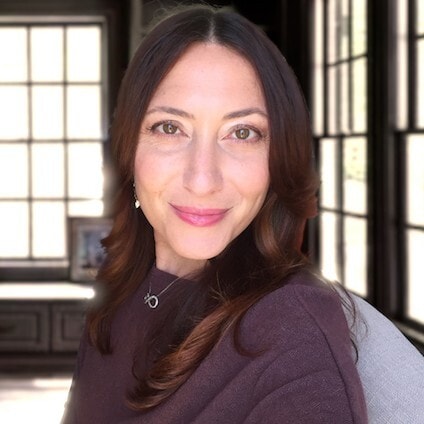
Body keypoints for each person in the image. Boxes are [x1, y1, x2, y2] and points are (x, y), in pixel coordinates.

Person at [62, 5, 368, 423]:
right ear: (130, 148)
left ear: (278, 156)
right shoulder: (119, 281)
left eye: (242, 133)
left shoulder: (293, 330)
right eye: (169, 127)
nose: (202, 179)